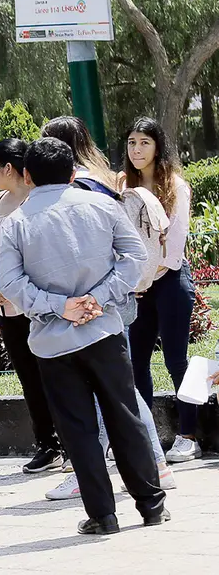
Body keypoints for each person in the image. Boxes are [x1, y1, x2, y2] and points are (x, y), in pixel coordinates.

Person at [0, 137, 169, 535]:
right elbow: (134, 257)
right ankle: (151, 505)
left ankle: (103, 515)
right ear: (74, 172)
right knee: (125, 417)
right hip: (104, 329)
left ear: (26, 175)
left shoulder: (17, 223)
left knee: (78, 429)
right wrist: (98, 297)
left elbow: (11, 282)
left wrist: (60, 306)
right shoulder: (101, 204)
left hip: (52, 342)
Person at [40, 119, 176, 500]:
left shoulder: (78, 185)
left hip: (91, 302)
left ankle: (91, 473)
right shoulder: (102, 177)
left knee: (101, 392)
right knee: (120, 389)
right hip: (114, 294)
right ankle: (157, 466)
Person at [0, 139, 65, 474]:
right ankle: (46, 444)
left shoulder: (36, 203)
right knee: (28, 377)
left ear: (9, 169)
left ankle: (68, 443)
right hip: (6, 308)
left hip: (36, 306)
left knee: (52, 375)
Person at [123, 117, 200, 463]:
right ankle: (144, 437)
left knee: (176, 360)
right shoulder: (123, 186)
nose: (137, 149)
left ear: (158, 147)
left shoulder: (176, 187)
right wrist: (133, 282)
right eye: (132, 143)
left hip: (169, 280)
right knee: (135, 362)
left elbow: (173, 246)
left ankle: (189, 435)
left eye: (144, 142)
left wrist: (142, 278)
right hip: (137, 287)